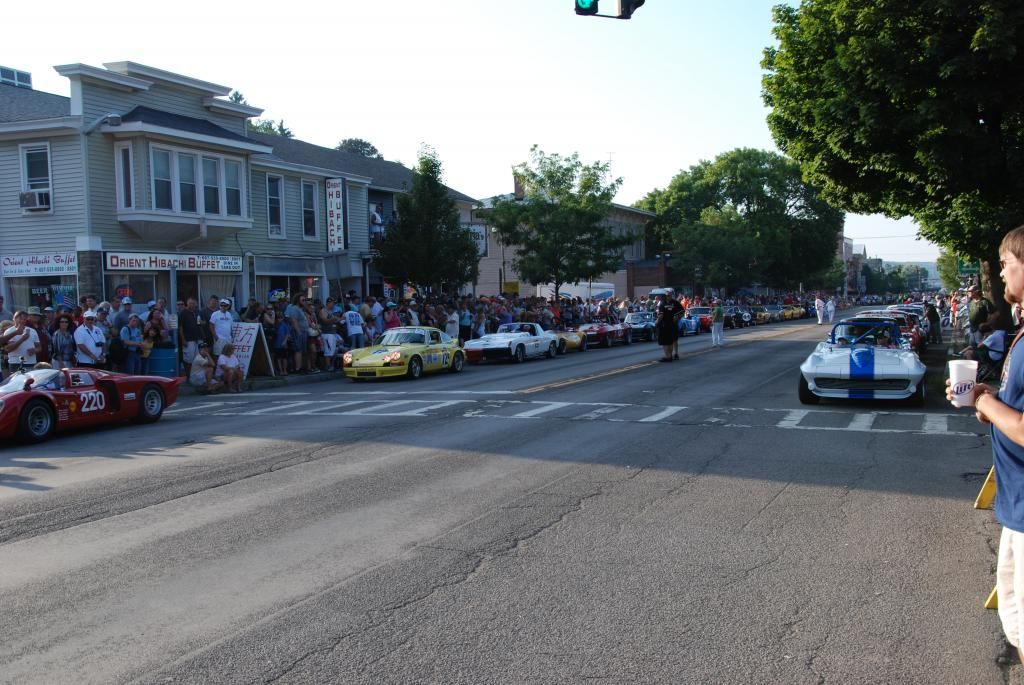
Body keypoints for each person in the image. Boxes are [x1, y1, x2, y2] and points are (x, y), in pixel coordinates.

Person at [948, 226, 1024, 661]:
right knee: (1015, 622)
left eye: (1007, 264)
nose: (1000, 272)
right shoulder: (1019, 333)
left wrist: (981, 398)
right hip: (1016, 503)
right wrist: (987, 404)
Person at [655, 294, 681, 362]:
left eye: (669, 295)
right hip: (671, 325)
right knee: (670, 341)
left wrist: (657, 322)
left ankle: (668, 356)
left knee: (665, 342)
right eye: (667, 295)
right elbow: (681, 312)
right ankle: (670, 356)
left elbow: (661, 315)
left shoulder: (663, 304)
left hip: (665, 325)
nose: (668, 297)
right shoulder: (666, 303)